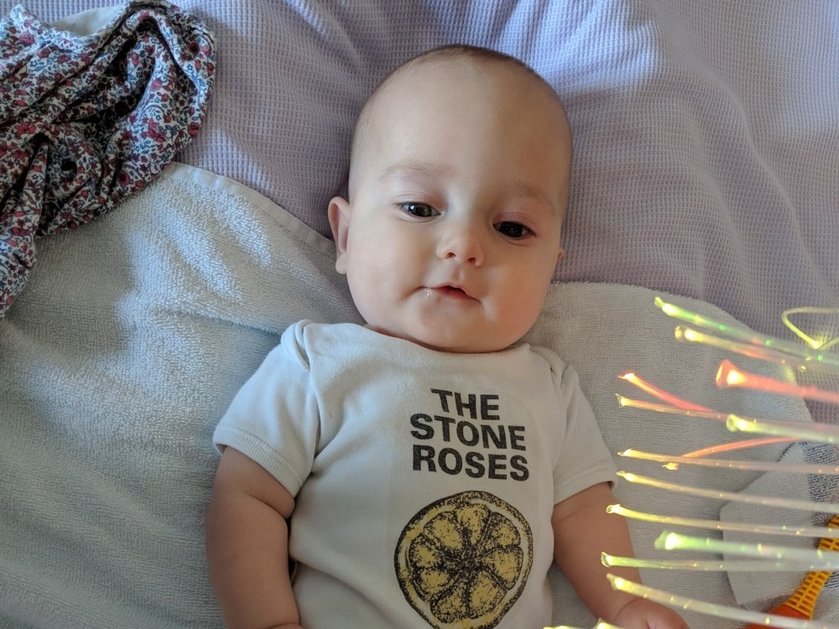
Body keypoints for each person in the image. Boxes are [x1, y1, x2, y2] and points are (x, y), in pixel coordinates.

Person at [206, 44, 688, 629]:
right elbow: (247, 496)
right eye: (419, 207)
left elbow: (584, 509)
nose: (463, 245)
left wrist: (623, 601)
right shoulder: (318, 364)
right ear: (347, 236)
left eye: (512, 227)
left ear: (551, 268)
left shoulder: (550, 389)